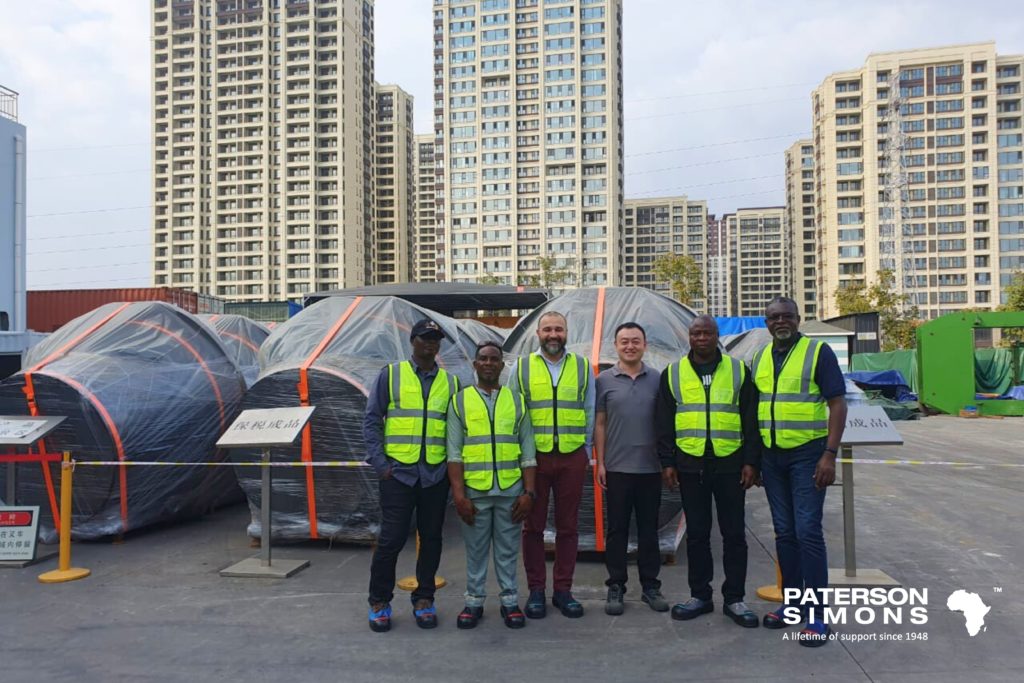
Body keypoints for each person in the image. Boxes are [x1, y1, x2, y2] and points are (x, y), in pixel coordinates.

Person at [753, 297, 847, 647]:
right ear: (766, 323)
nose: (781, 322)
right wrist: (756, 459)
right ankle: (792, 605)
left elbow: (837, 404)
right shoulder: (760, 357)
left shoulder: (818, 352)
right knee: (784, 532)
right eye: (774, 317)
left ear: (798, 318)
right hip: (772, 456)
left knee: (807, 531)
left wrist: (829, 455)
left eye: (787, 316)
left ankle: (818, 615)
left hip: (808, 455)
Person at [657, 315, 761, 628]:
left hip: (730, 463)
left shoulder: (738, 371)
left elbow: (750, 418)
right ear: (689, 337)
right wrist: (667, 462)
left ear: (717, 337)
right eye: (696, 333)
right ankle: (700, 596)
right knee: (698, 534)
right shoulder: (673, 373)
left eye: (707, 333)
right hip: (690, 464)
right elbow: (664, 421)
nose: (702, 338)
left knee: (734, 533)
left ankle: (735, 598)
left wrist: (751, 461)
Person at [363, 318, 461, 633]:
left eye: (435, 339)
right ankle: (379, 602)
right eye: (424, 337)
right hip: (399, 474)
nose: (430, 343)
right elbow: (372, 419)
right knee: (391, 540)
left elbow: (457, 429)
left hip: (435, 474)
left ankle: (424, 599)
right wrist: (381, 465)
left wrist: (452, 471)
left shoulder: (452, 383)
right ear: (413, 341)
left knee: (431, 539)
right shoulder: (391, 375)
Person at [507, 310, 595, 619]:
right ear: (538, 334)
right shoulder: (521, 368)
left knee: (568, 527)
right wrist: (520, 457)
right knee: (532, 526)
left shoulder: (582, 367)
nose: (553, 334)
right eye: (547, 330)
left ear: (566, 333)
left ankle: (563, 591)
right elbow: (512, 413)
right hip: (535, 459)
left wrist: (585, 451)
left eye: (559, 329)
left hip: (572, 456)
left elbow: (589, 409)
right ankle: (536, 591)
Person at [447, 341, 537, 630]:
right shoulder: (460, 401)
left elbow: (528, 451)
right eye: (483, 359)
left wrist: (529, 492)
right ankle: (473, 602)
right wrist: (459, 496)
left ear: (501, 365)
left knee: (507, 550)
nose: (488, 363)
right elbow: (454, 453)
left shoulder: (516, 401)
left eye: (494, 359)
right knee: (475, 551)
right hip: (475, 493)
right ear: (475, 364)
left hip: (510, 491)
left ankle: (509, 601)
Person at [595, 322, 669, 615]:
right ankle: (616, 585)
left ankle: (651, 586)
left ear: (645, 345)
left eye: (635, 341)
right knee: (617, 530)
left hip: (650, 468)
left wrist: (667, 462)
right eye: (624, 341)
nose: (630, 346)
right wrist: (601, 462)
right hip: (616, 468)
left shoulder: (658, 379)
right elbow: (600, 423)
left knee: (649, 530)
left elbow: (665, 422)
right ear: (615, 346)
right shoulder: (603, 381)